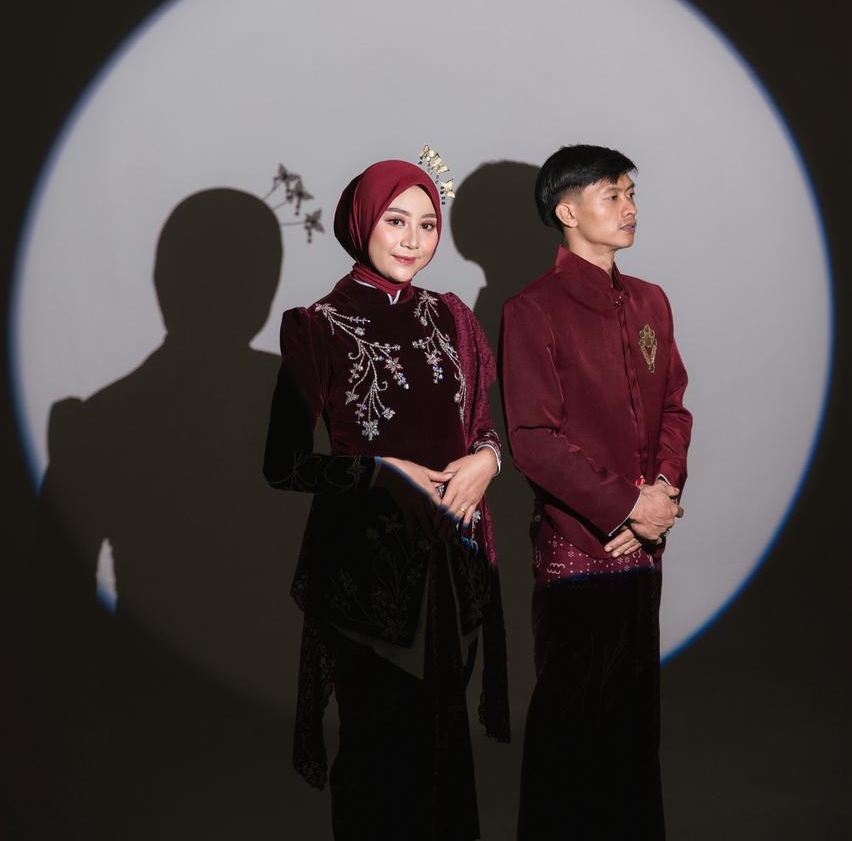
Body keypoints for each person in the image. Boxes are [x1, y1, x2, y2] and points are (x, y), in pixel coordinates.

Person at [264, 159, 509, 841]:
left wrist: (489, 459)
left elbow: (483, 426)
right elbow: (282, 466)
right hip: (367, 580)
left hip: (452, 573)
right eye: (396, 221)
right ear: (362, 222)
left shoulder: (452, 317)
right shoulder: (318, 326)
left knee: (444, 758)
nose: (412, 240)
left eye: (428, 225)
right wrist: (378, 473)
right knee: (379, 764)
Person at [500, 144, 692, 840]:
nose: (630, 207)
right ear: (567, 210)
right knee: (570, 736)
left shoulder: (649, 301)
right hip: (578, 553)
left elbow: (673, 407)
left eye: (631, 193)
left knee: (635, 734)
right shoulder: (533, 310)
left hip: (643, 551)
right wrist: (626, 506)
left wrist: (662, 492)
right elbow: (533, 440)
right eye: (613, 194)